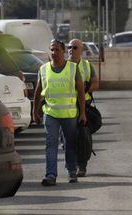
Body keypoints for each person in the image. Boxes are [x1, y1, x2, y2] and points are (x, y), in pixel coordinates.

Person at [33, 39, 87, 186]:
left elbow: (81, 91)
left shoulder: (72, 68)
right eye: (51, 50)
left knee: (70, 144)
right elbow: (38, 92)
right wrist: (35, 112)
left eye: (57, 50)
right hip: (50, 114)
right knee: (51, 144)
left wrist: (82, 112)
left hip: (69, 115)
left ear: (63, 51)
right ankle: (50, 175)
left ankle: (71, 172)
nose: (54, 53)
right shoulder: (43, 69)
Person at [68, 39, 99, 177]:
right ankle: (71, 165)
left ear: (81, 50)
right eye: (69, 47)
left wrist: (85, 90)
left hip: (83, 107)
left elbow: (95, 83)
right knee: (68, 138)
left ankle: (81, 166)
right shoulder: (64, 65)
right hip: (67, 107)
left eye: (74, 47)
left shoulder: (87, 65)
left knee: (83, 136)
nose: (71, 50)